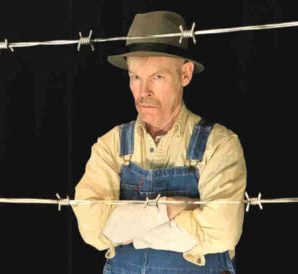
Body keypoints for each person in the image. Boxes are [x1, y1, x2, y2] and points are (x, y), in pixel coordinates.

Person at [72, 11, 246, 274]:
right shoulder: (110, 146)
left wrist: (131, 233)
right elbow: (92, 227)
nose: (144, 92)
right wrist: (168, 208)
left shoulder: (219, 145)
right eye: (135, 77)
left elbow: (222, 231)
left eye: (157, 77)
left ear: (185, 74)